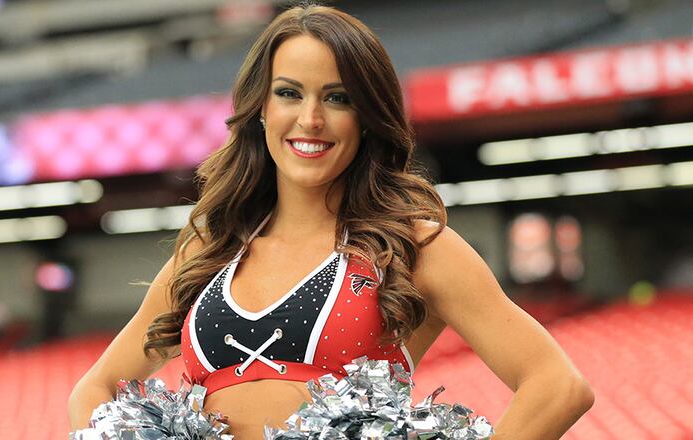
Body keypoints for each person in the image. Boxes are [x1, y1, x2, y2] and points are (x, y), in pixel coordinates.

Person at [69, 4, 594, 439]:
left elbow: (557, 385)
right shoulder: (211, 250)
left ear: (367, 118)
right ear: (260, 108)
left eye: (338, 98)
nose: (310, 119)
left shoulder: (411, 246)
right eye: (289, 93)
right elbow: (94, 391)